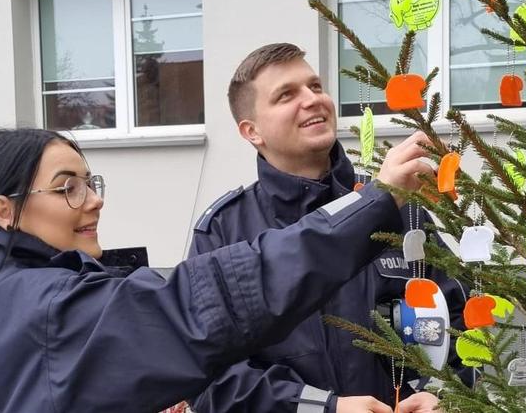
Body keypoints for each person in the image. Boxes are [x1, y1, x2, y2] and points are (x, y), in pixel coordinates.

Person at [0, 127, 433, 413]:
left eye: (91, 181)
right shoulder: (52, 310)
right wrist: (371, 204)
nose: (95, 200)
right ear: (5, 211)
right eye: (68, 188)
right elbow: (218, 297)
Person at [188, 43, 471, 413]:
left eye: (315, 86)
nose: (312, 99)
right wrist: (324, 408)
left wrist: (442, 394)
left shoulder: (399, 207)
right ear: (252, 131)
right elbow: (209, 378)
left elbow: (462, 319)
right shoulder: (224, 231)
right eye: (286, 95)